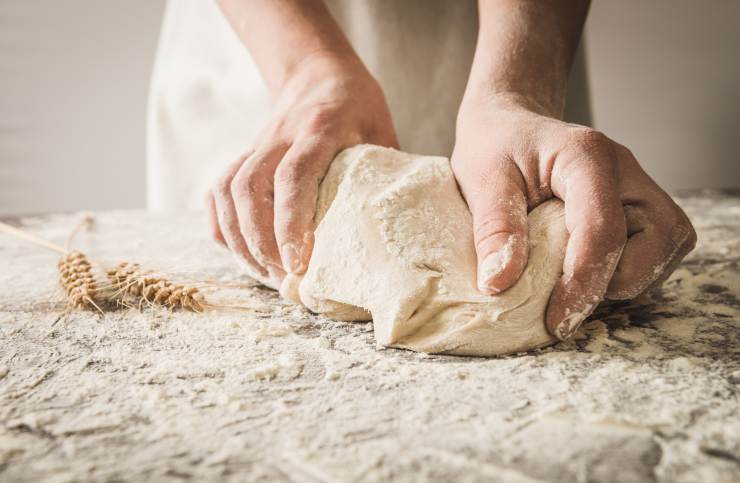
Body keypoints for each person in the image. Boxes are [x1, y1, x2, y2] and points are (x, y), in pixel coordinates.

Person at [148, 0, 696, 341]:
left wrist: (515, 91)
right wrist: (307, 75)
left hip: (503, 35)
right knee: (285, 213)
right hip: (266, 44)